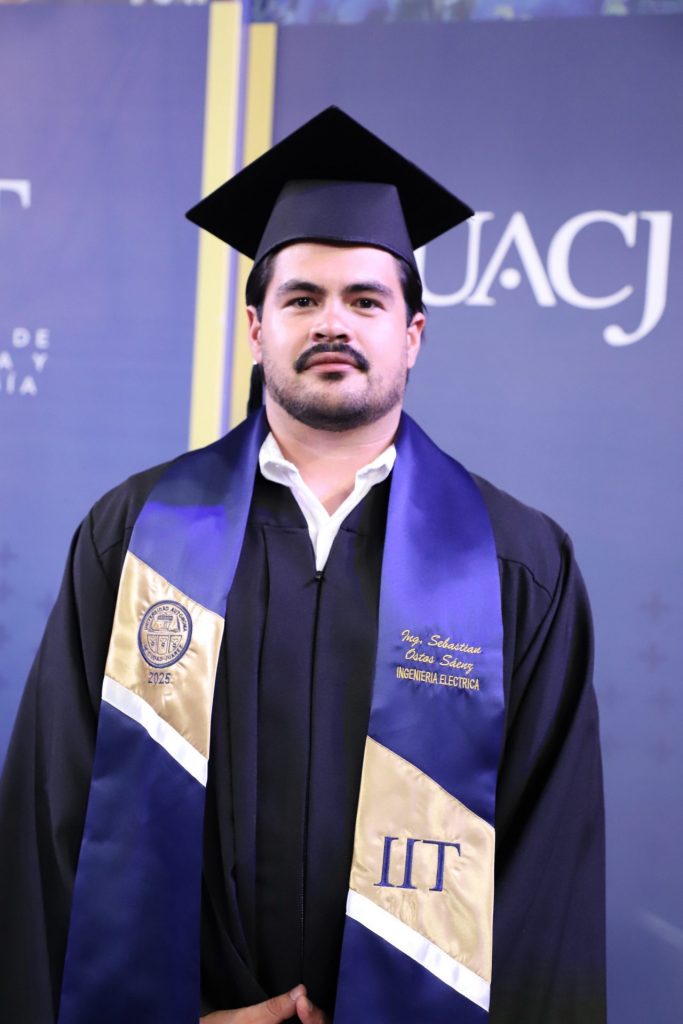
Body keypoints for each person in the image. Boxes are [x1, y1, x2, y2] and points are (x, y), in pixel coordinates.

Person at [0, 108, 605, 1024]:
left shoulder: (512, 563)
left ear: (412, 333)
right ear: (254, 327)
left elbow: (544, 867)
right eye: (301, 299)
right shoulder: (138, 536)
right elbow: (55, 815)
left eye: (365, 300)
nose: (332, 323)